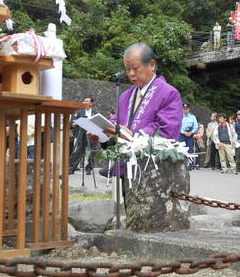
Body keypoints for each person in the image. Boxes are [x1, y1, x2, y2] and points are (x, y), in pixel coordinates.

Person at [97, 42, 183, 178]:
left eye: (136, 68)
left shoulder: (169, 93)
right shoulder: (126, 95)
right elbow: (116, 121)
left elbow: (167, 130)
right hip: (123, 166)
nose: (131, 74)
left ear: (152, 65)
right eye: (127, 69)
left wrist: (133, 135)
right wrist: (104, 133)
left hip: (152, 169)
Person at [69, 97, 99, 175]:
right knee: (78, 151)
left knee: (91, 151)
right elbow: (73, 123)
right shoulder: (80, 112)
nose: (84, 102)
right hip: (82, 134)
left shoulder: (95, 113)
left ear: (91, 103)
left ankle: (88, 168)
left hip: (92, 134)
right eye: (84, 101)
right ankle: (72, 168)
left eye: (87, 101)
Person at [180, 103, 199, 169]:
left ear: (189, 109)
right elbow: (177, 126)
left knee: (189, 149)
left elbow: (196, 126)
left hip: (190, 134)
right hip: (182, 134)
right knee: (181, 149)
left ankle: (189, 165)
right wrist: (183, 132)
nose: (185, 110)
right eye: (184, 109)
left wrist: (192, 132)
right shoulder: (179, 116)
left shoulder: (192, 117)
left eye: (186, 109)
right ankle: (181, 165)